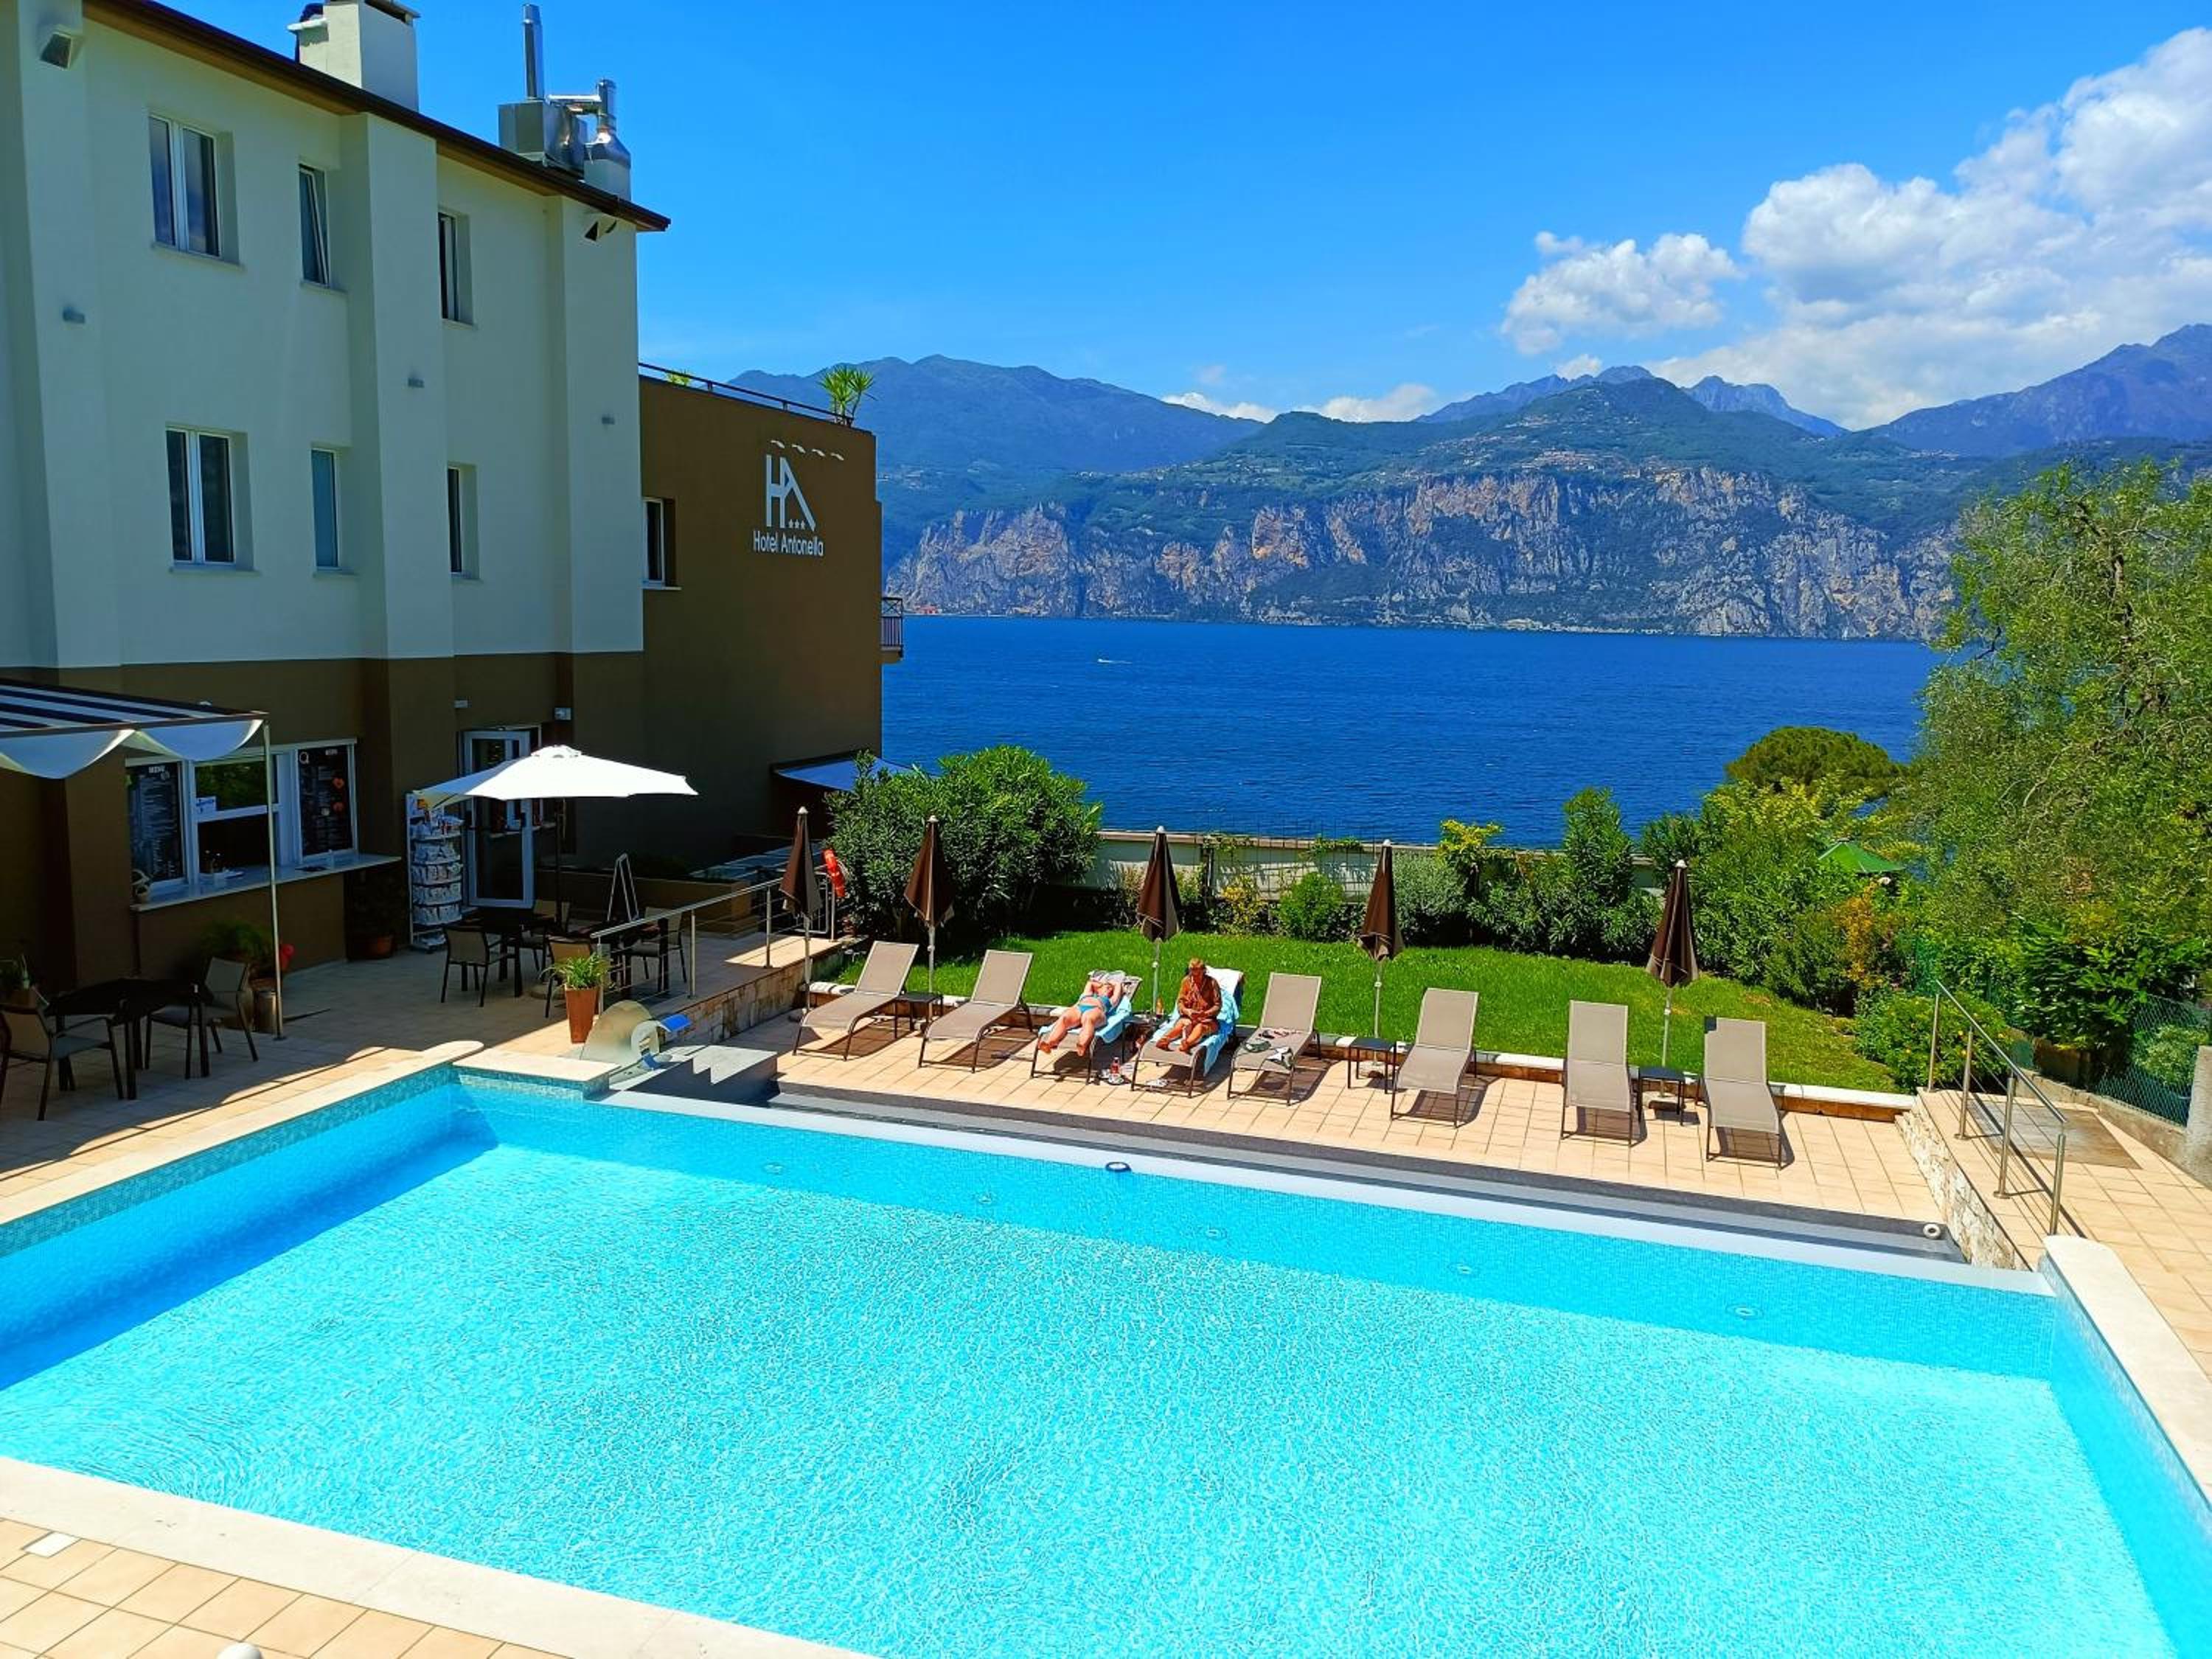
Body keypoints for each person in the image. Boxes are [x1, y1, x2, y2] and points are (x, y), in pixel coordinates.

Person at [1037, 973, 1123, 1056]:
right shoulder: (1088, 994)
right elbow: (1090, 983)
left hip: (1096, 1010)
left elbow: (1118, 985)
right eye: (1107, 987)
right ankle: (1049, 1044)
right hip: (1080, 1008)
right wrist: (1102, 985)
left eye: (1110, 988)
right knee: (1064, 1018)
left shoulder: (1111, 1000)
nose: (1108, 989)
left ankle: (1082, 1045)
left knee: (1088, 1019)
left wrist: (1110, 985)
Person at [1154, 958, 1222, 1054]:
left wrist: (1206, 1013)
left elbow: (1218, 1005)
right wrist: (1187, 1011)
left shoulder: (1212, 983)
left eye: (1197, 975)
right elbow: (1180, 1003)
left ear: (1204, 971)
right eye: (1192, 974)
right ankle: (1164, 1040)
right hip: (1189, 1016)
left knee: (1200, 1028)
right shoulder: (1186, 981)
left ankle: (1187, 1044)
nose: (1194, 977)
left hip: (1207, 1019)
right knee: (1182, 1025)